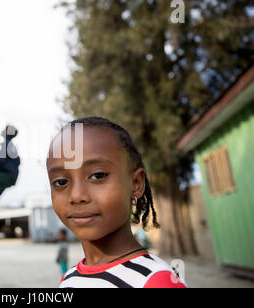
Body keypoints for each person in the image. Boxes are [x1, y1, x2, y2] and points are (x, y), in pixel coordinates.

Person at [46, 116, 187, 288]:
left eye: (98, 175)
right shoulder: (70, 278)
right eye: (61, 182)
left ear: (136, 183)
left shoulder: (156, 282)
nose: (76, 196)